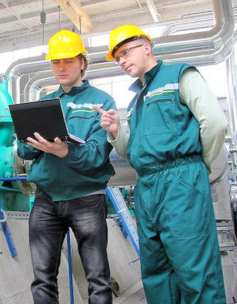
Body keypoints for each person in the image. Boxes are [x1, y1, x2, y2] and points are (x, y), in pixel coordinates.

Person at [93, 24, 228, 304]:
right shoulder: (137, 100)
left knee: (194, 270)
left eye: (125, 52)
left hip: (181, 183)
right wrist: (117, 130)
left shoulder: (180, 75)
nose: (121, 61)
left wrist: (198, 168)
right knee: (156, 272)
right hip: (148, 188)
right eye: (117, 58)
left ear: (147, 46)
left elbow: (214, 124)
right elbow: (134, 153)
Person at [17, 29, 116, 304]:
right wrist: (26, 140)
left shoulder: (101, 102)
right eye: (55, 62)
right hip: (46, 199)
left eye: (68, 61)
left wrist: (64, 151)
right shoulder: (44, 102)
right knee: (42, 279)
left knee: (97, 280)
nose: (61, 67)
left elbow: (97, 156)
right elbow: (25, 151)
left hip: (86, 197)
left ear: (82, 62)